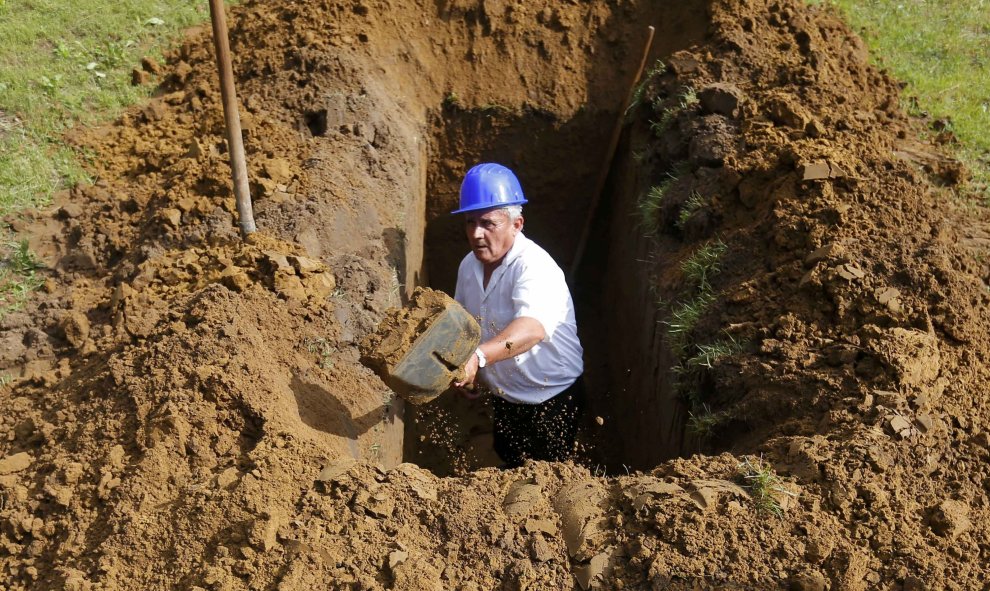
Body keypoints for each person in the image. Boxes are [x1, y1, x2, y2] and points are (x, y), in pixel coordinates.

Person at [451, 162, 585, 467]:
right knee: (509, 461)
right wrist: (462, 368)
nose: (476, 233)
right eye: (470, 222)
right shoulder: (468, 266)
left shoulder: (534, 267)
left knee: (551, 479)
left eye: (488, 223)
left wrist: (478, 359)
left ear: (517, 224)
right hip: (505, 396)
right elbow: (463, 323)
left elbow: (532, 328)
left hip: (551, 397)